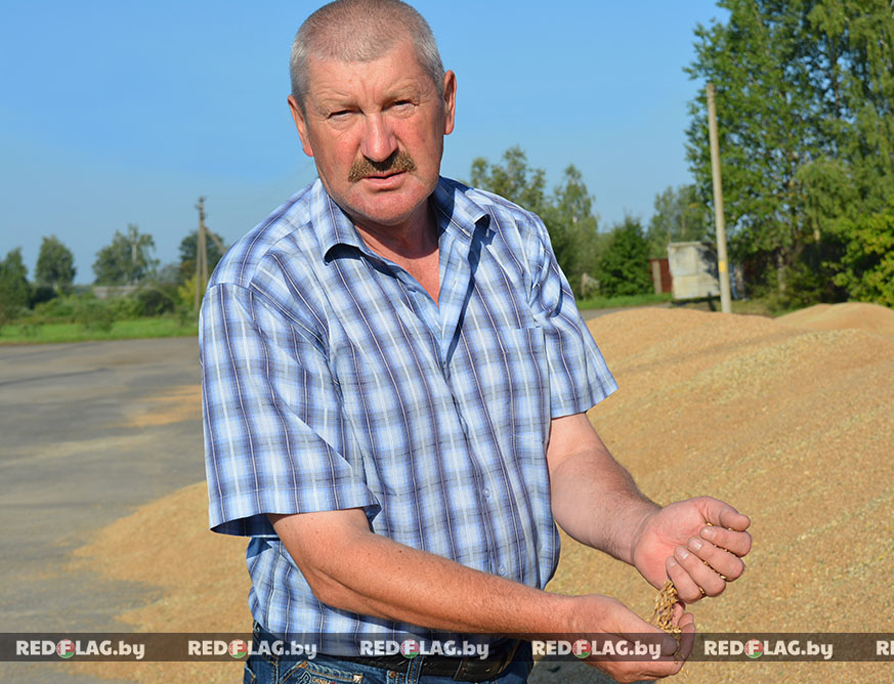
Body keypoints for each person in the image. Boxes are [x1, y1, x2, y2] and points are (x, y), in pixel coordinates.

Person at [199, 1, 752, 683]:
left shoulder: (513, 240)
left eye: (400, 103)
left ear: (448, 102)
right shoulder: (263, 286)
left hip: (505, 662)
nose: (378, 145)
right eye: (343, 114)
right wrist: (565, 620)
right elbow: (335, 562)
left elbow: (567, 451)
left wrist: (638, 529)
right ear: (302, 126)